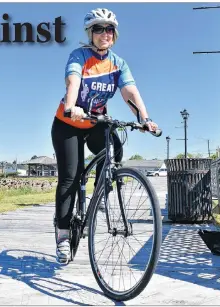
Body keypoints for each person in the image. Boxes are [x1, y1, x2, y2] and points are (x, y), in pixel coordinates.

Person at [51, 8, 159, 264]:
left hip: (95, 122)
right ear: (90, 33)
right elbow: (73, 81)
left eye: (109, 29)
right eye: (98, 29)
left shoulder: (118, 63)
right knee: (70, 177)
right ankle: (63, 237)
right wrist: (71, 106)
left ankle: (100, 195)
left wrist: (144, 119)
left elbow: (130, 92)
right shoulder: (80, 56)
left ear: (114, 34)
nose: (104, 34)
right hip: (68, 122)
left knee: (115, 148)